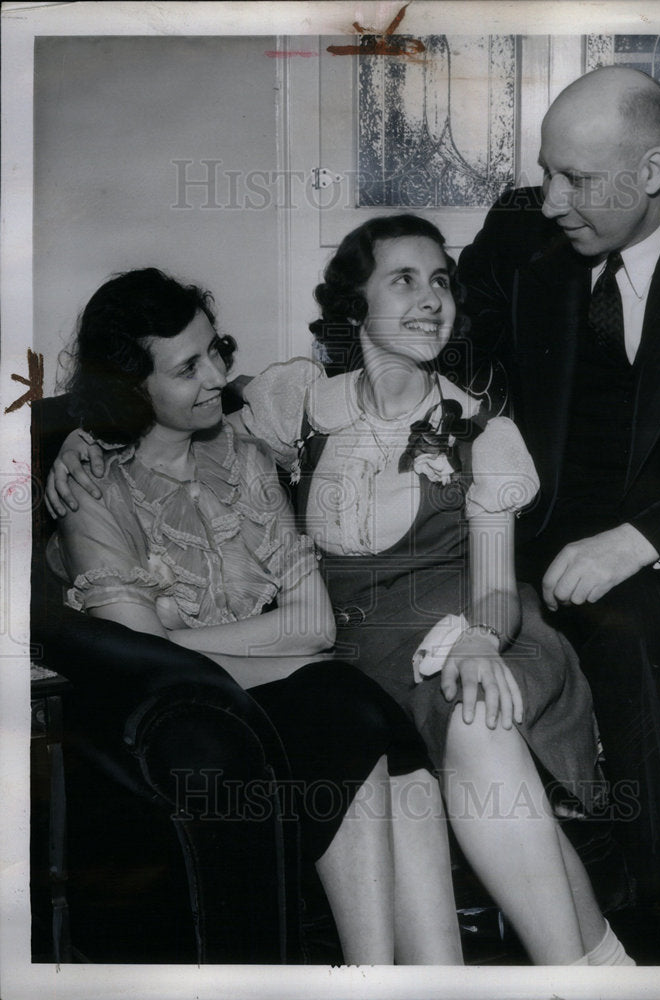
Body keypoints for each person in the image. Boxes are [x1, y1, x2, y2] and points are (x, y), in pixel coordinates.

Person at [46, 222, 634, 966]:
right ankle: (604, 970)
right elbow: (165, 423)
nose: (430, 301)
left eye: (440, 281)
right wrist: (82, 434)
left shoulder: (479, 431)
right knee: (396, 724)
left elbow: (485, 586)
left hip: (461, 622)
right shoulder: (292, 404)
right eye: (404, 281)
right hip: (353, 648)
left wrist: (481, 637)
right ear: (352, 312)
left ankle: (570, 977)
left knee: (476, 714)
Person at [45, 267, 464, 966]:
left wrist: (209, 643)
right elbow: (150, 662)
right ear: (131, 387)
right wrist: (287, 660)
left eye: (217, 349)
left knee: (385, 748)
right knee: (338, 698)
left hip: (268, 693)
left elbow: (316, 623)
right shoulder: (94, 490)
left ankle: (431, 981)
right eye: (187, 368)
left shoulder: (241, 456)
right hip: (166, 726)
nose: (216, 376)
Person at [455, 66, 660, 964]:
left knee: (635, 630)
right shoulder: (520, 229)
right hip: (520, 524)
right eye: (546, 171)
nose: (548, 200)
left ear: (653, 169)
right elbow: (448, 342)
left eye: (575, 180)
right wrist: (485, 417)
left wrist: (639, 542)